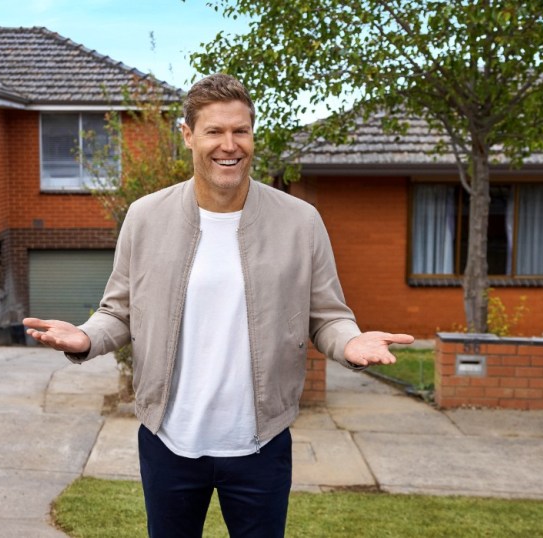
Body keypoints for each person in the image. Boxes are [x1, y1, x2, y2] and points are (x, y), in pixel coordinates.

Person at [24, 73, 414, 537]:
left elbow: (327, 316)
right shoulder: (146, 217)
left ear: (252, 135)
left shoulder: (300, 221)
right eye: (214, 131)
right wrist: (86, 337)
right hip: (168, 442)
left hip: (260, 446)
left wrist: (349, 343)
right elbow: (119, 311)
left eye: (240, 131)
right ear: (188, 136)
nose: (229, 145)